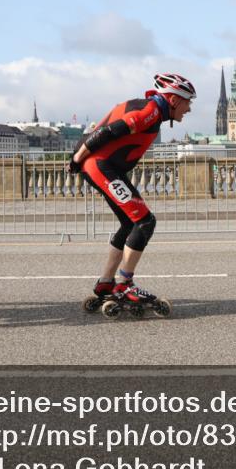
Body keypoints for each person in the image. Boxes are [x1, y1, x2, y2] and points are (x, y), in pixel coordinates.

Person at [70, 73, 195, 314]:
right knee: (145, 221)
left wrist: (80, 156)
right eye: (187, 101)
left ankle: (106, 281)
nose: (189, 108)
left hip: (104, 166)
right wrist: (77, 158)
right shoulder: (151, 111)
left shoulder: (151, 108)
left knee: (130, 223)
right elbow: (108, 131)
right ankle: (124, 284)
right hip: (101, 166)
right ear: (173, 99)